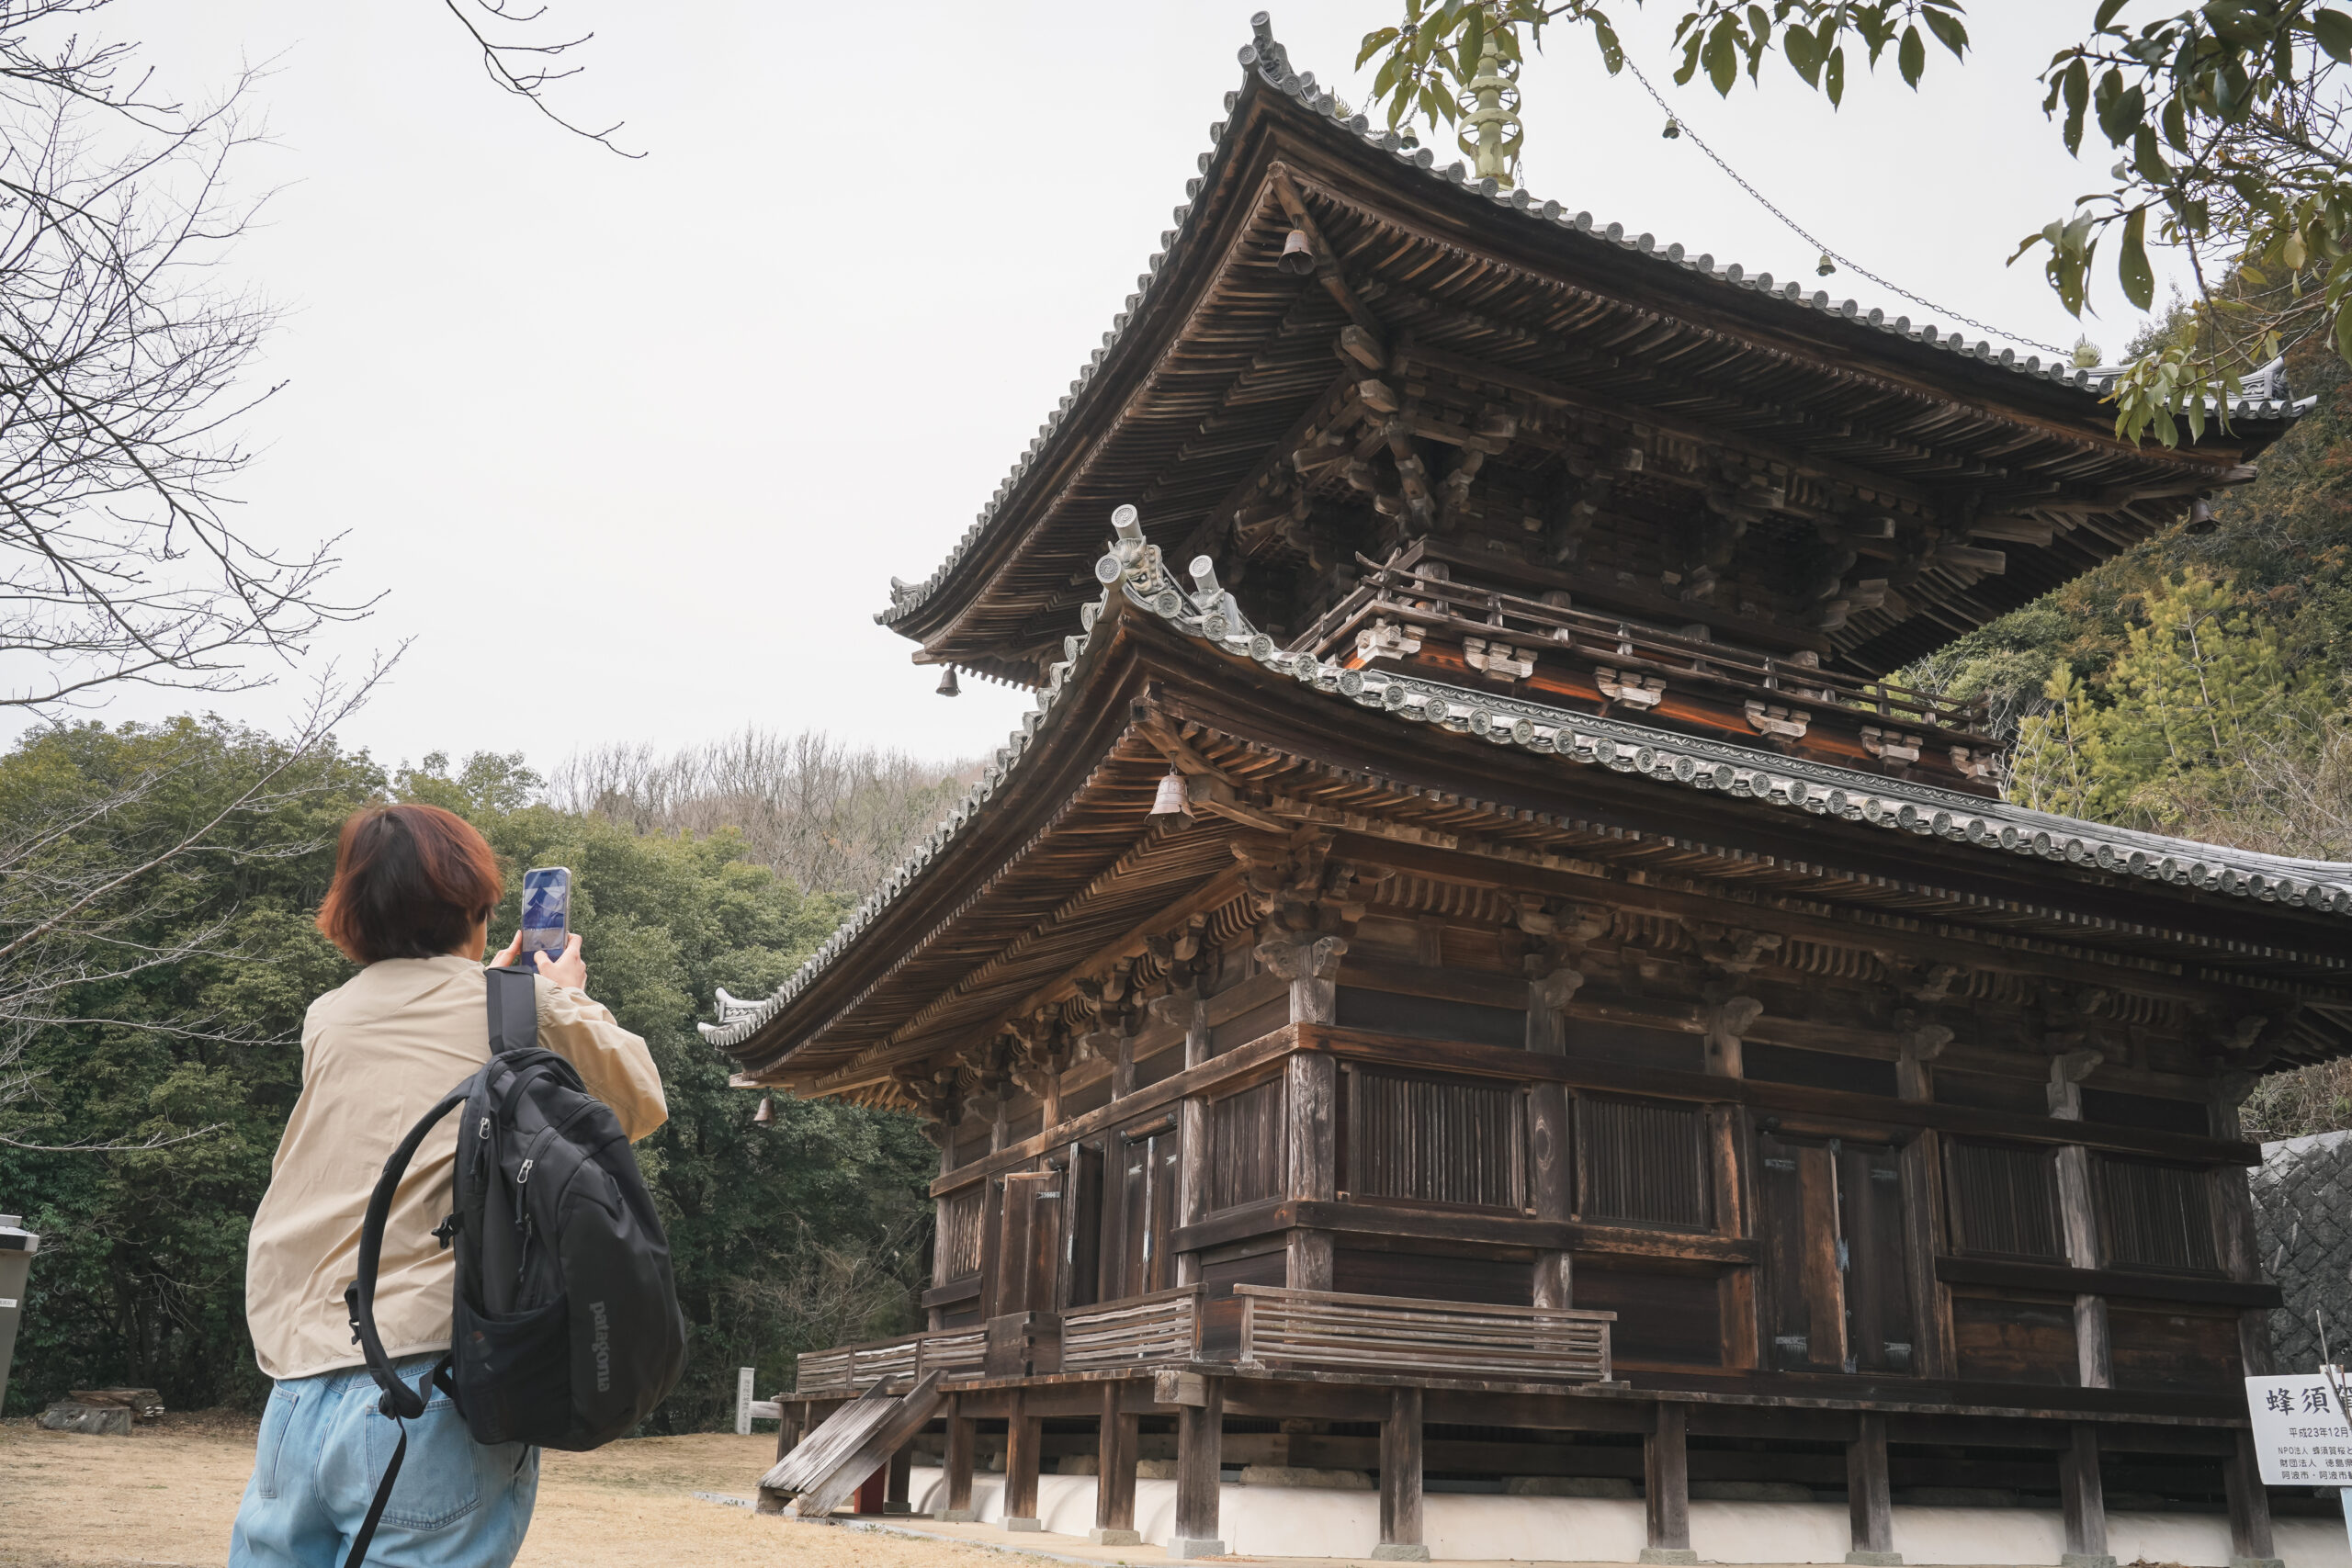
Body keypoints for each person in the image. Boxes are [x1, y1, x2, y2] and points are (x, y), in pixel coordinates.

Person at [230, 804, 665, 1568]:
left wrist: (496, 991)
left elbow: (418, 1051)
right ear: (475, 907)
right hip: (431, 1386)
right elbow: (638, 1101)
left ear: (351, 914)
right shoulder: (524, 1007)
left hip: (297, 1388)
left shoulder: (327, 1017)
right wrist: (563, 994)